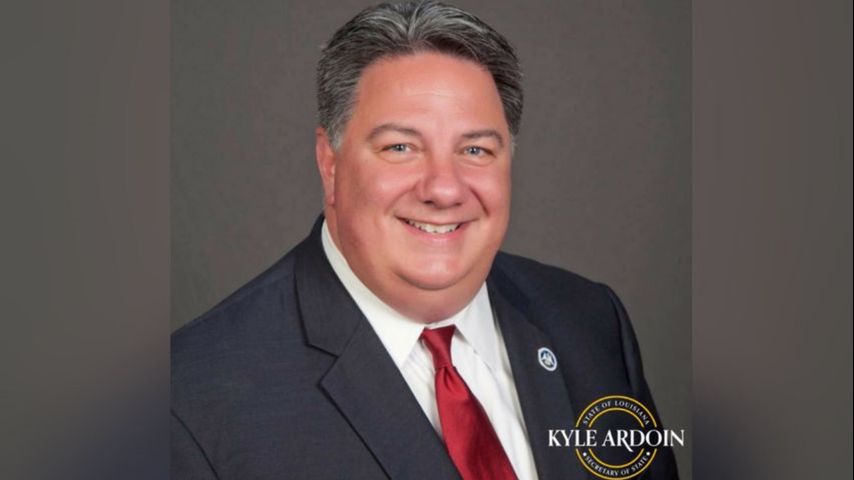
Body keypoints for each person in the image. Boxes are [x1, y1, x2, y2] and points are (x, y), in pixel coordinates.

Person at [171, 1, 679, 479]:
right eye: (400, 147)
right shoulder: (192, 397)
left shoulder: (589, 322)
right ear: (330, 163)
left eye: (475, 150)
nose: (444, 189)